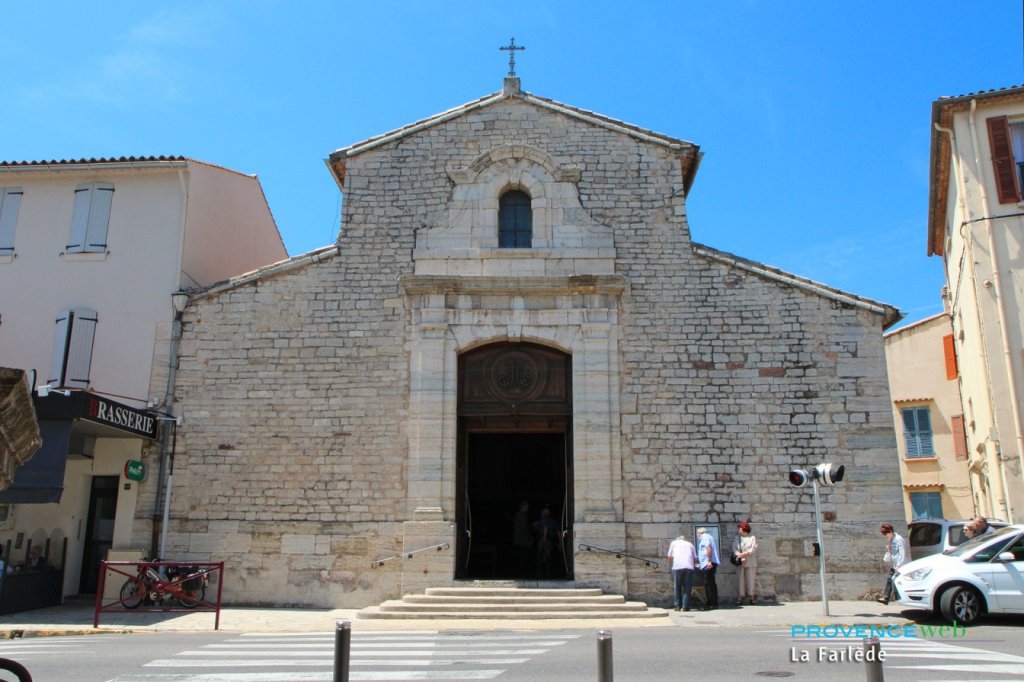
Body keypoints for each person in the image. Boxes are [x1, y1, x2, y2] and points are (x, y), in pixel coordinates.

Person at [666, 532, 698, 611]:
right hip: (689, 567)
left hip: (678, 566)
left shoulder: (674, 543)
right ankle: (685, 607)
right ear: (684, 540)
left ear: (678, 539)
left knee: (677, 586)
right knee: (687, 587)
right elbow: (695, 558)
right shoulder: (690, 544)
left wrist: (673, 562)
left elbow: (669, 556)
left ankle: (677, 606)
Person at [877, 522, 907, 605]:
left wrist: (899, 565)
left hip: (900, 566)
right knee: (891, 580)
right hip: (895, 565)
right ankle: (886, 598)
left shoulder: (898, 539)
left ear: (890, 531)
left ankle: (888, 597)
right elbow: (892, 554)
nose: (886, 535)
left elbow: (903, 553)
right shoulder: (892, 540)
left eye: (887, 533)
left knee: (895, 581)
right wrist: (889, 549)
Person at [732, 521, 758, 605]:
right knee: (740, 579)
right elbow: (734, 548)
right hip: (740, 561)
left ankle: (751, 595)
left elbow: (752, 549)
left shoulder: (752, 538)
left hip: (750, 561)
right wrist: (738, 555)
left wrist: (743, 554)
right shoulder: (737, 538)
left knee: (750, 578)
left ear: (744, 528)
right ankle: (741, 596)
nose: (739, 530)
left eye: (740, 528)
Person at [532, 506, 560, 578]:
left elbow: (545, 528)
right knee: (548, 557)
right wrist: (560, 542)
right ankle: (548, 575)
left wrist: (543, 539)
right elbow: (558, 532)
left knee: (540, 557)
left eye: (543, 511)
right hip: (551, 540)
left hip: (544, 540)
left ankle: (539, 575)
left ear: (544, 512)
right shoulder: (553, 520)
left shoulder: (543, 519)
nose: (542, 513)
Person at [696, 527, 720, 609]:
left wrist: (709, 561)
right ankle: (711, 602)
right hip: (706, 563)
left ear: (699, 533)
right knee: (709, 583)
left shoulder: (705, 537)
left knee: (709, 583)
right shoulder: (707, 537)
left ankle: (712, 603)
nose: (697, 535)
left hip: (708, 563)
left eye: (697, 534)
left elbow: (708, 548)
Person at [511, 501, 533, 577]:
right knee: (523, 559)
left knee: (518, 559)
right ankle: (522, 575)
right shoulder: (522, 516)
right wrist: (529, 538)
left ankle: (518, 574)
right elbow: (524, 528)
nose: (527, 509)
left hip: (517, 540)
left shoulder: (516, 515)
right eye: (527, 507)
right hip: (523, 541)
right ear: (523, 507)